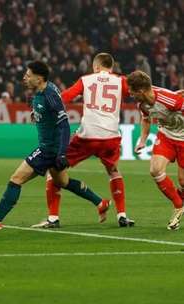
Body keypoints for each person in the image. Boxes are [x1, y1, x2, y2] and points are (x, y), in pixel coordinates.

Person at [0, 60, 110, 230]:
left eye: (28, 75)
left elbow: (64, 124)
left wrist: (60, 153)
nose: (24, 78)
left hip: (48, 149)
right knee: (63, 182)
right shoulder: (41, 91)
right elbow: (48, 113)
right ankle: (100, 202)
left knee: (16, 179)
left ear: (39, 78)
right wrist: (36, 113)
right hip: (52, 148)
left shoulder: (49, 94)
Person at [32, 53, 134, 229]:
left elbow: (63, 98)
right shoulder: (121, 81)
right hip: (111, 137)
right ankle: (122, 216)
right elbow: (138, 92)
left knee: (54, 169)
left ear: (95, 67)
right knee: (114, 172)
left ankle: (53, 218)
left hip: (87, 137)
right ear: (111, 67)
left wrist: (41, 110)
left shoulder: (86, 80)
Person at [127, 70, 184, 230]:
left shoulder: (169, 100)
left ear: (141, 91)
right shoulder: (142, 104)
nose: (130, 94)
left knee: (182, 182)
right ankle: (178, 205)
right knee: (155, 169)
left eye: (131, 91)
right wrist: (143, 140)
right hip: (166, 136)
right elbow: (146, 119)